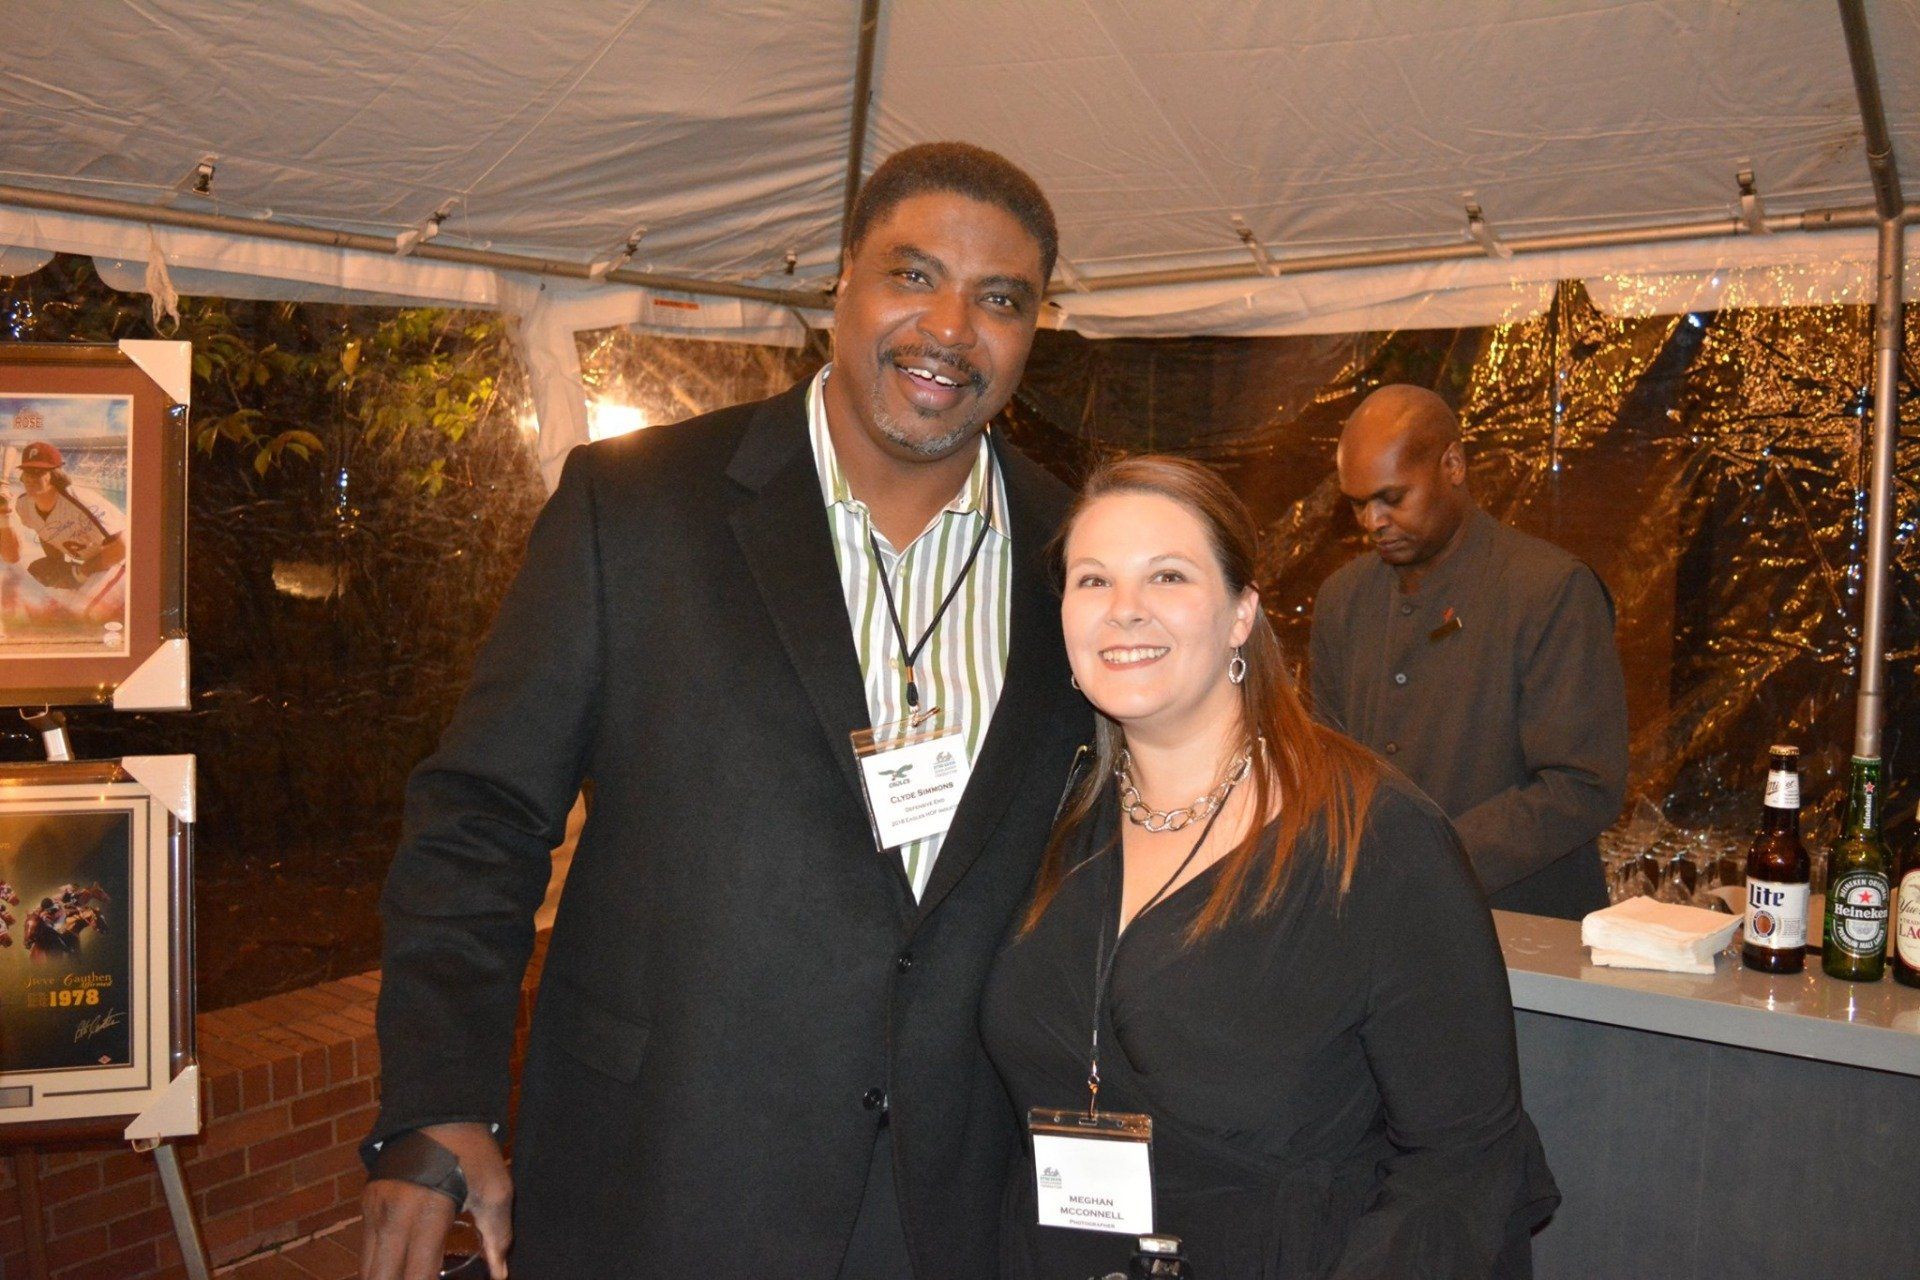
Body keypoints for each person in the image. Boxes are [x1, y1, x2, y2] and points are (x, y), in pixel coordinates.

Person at [361, 142, 1090, 1280]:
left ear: (1037, 325)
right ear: (839, 282)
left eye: (1001, 298)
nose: (951, 326)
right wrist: (441, 1096)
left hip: (959, 1199)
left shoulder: (1080, 554)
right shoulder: (636, 507)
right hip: (667, 1174)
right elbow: (481, 817)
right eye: (912, 275)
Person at [982, 456, 1558, 1278]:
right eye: (1093, 581)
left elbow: (1465, 1166)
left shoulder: (1376, 838)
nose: (1125, 612)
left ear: (1242, 612)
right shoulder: (1046, 820)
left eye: (1168, 576)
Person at [1309, 385, 1628, 920]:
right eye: (1358, 504)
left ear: (1453, 465)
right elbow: (1328, 761)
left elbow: (1582, 785)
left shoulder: (1547, 590)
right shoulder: (1343, 599)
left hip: (1519, 925)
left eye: (1392, 497)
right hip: (1371, 925)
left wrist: (1427, 862)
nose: (1372, 522)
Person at [0, 441, 129, 622]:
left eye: (38, 472)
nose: (30, 477)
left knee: (75, 617)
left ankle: (129, 606)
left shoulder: (81, 501)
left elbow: (123, 546)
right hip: (97, 566)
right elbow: (16, 554)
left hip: (123, 562)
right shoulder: (24, 506)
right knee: (44, 607)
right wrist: (3, 516)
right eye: (27, 471)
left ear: (55, 475)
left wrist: (82, 572)